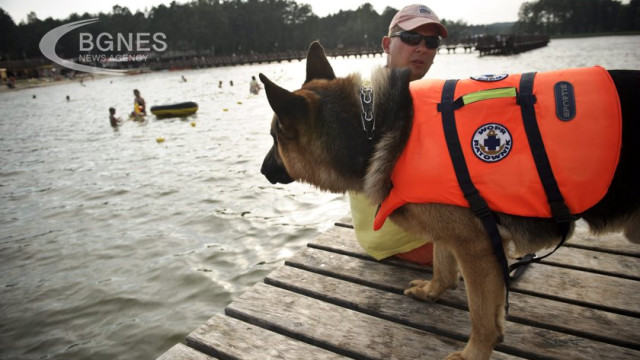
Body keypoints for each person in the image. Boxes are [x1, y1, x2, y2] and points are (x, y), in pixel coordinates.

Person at [348, 4, 448, 266]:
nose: (422, 48)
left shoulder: (418, 96)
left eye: (431, 42)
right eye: (410, 38)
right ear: (386, 44)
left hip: (393, 230)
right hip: (403, 237)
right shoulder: (371, 101)